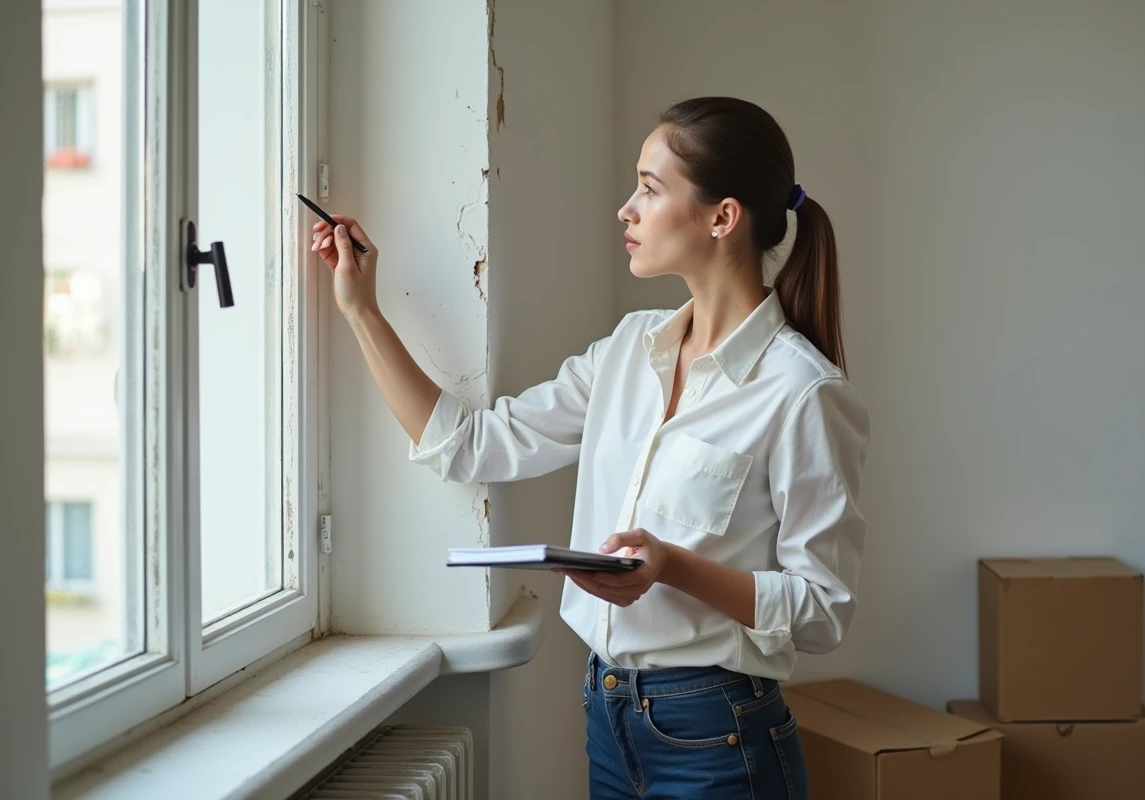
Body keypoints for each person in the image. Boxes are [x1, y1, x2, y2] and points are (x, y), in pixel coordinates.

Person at [312, 96, 869, 800]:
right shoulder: (626, 353)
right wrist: (361, 309)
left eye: (649, 186)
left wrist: (671, 567)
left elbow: (823, 610)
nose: (625, 209)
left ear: (722, 217)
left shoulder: (802, 392)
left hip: (719, 735)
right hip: (609, 717)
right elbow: (471, 447)